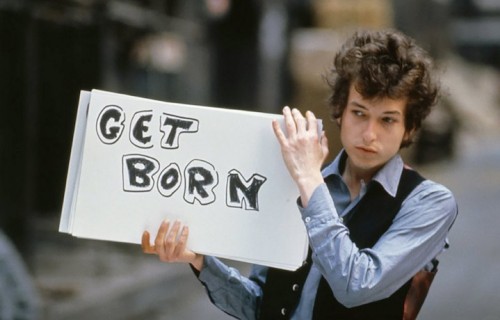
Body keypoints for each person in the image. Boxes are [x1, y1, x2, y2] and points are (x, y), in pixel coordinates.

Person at [142, 29, 458, 319]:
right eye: (359, 113)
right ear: (340, 112)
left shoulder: (428, 202)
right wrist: (199, 260)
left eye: (387, 120)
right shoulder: (297, 186)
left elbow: (356, 286)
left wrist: (309, 181)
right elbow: (260, 305)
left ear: (409, 127)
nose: (369, 134)